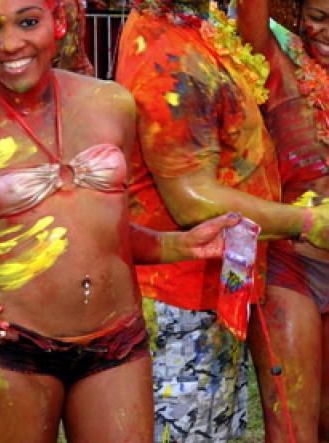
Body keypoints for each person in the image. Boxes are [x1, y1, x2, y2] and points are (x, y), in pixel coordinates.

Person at [0, 0, 245, 440]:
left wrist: (181, 245)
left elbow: (103, 234)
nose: (10, 43)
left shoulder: (111, 105)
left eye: (29, 21)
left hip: (118, 344)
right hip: (14, 348)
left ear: (59, 23)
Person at [115, 0, 329, 441]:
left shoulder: (200, 29)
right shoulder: (165, 51)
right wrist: (307, 223)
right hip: (182, 296)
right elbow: (190, 201)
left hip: (221, 287)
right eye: (320, 16)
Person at [236, 0, 329, 441]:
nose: (328, 31)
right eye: (319, 17)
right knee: (293, 427)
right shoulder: (275, 61)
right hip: (291, 267)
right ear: (295, 13)